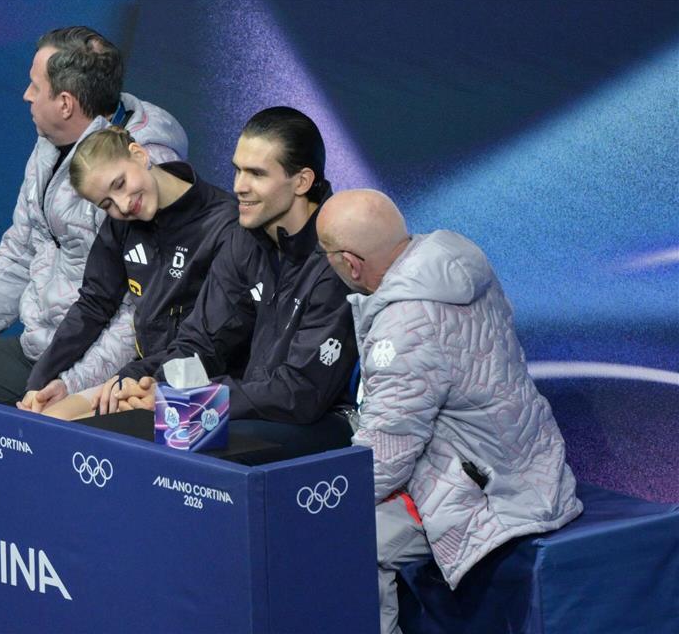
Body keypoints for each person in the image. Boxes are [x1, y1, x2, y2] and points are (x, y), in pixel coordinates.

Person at [315, 189, 582, 634]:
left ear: (350, 263)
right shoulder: (451, 266)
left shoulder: (405, 326)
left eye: (325, 255)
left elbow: (386, 453)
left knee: (344, 538)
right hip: (527, 461)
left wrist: (327, 499)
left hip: (489, 494)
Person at [0, 26, 187, 404]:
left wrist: (70, 387)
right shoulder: (49, 143)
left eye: (35, 86)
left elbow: (140, 312)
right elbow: (21, 249)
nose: (26, 95)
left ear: (65, 103)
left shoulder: (140, 173)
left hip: (109, 373)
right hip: (42, 350)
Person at [110, 107, 359, 463]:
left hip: (323, 420)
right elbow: (202, 341)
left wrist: (193, 399)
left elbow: (301, 393)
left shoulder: (335, 256)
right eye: (237, 169)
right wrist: (148, 379)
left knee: (179, 434)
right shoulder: (245, 239)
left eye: (256, 174)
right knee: (129, 421)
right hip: (254, 406)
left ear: (302, 182)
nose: (239, 186)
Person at [15, 125, 238, 417]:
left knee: (62, 422)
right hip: (144, 377)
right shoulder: (122, 224)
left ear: (139, 154)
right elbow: (94, 304)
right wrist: (40, 381)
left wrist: (132, 378)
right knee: (45, 415)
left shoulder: (225, 224)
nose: (122, 205)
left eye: (119, 184)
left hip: (201, 385)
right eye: (106, 204)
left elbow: (209, 342)